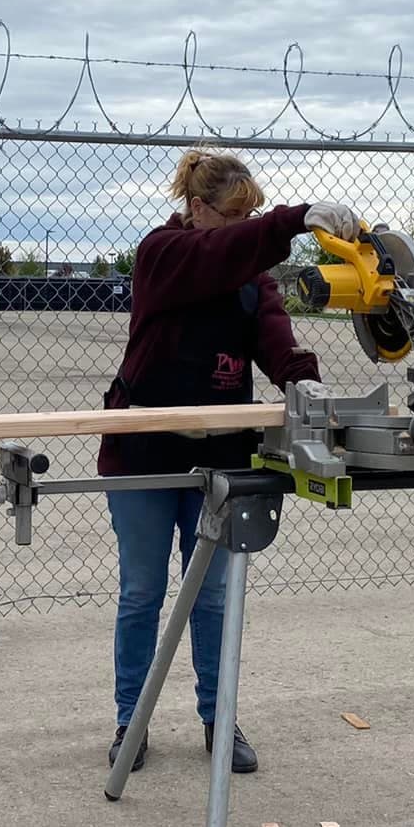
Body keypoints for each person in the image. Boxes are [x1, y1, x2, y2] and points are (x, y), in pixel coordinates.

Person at [96, 148, 357, 775]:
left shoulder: (250, 275)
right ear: (197, 208)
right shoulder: (162, 253)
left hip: (221, 455)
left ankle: (219, 717)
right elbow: (215, 254)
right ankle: (132, 720)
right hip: (144, 452)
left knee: (213, 597)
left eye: (250, 217)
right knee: (141, 593)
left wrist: (301, 379)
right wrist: (291, 220)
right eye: (233, 215)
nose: (242, 228)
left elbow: (273, 335)